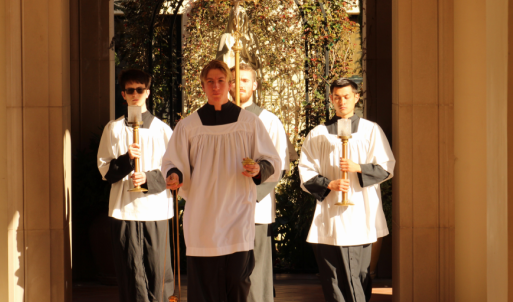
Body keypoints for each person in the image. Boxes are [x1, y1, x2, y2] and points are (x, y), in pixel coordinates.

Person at [162, 60, 281, 302]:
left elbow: (272, 161)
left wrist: (258, 169)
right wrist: (175, 175)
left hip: (238, 212)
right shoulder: (188, 126)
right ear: (203, 86)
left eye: (220, 81)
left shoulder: (249, 123)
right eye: (210, 82)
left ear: (228, 85)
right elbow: (172, 162)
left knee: (237, 281)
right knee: (204, 286)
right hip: (202, 216)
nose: (215, 86)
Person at [299, 78, 395, 302]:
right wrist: (329, 184)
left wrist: (358, 168)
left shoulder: (371, 131)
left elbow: (387, 167)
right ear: (331, 99)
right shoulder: (319, 134)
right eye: (337, 97)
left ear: (356, 97)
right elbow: (305, 170)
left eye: (347, 96)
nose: (342, 101)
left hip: (361, 212)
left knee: (359, 274)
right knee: (333, 277)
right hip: (331, 214)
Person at [97, 69, 174, 302]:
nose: (135, 94)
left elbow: (175, 171)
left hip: (156, 210)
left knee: (158, 273)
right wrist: (127, 160)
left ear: (148, 92)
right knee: (131, 273)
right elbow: (105, 171)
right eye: (130, 90)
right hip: (125, 211)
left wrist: (148, 179)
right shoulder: (114, 129)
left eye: (140, 89)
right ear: (123, 94)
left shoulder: (163, 130)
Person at [229, 64, 290, 302]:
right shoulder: (217, 119)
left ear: (254, 85)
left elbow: (279, 165)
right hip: (224, 207)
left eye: (245, 80)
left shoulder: (268, 120)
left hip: (256, 206)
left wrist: (249, 195)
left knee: (256, 271)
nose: (239, 85)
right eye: (234, 80)